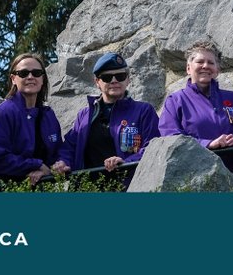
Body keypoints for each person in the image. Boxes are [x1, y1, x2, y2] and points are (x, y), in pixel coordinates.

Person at [53, 52, 160, 187]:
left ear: (128, 79)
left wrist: (126, 162)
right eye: (107, 77)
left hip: (127, 187)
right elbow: (70, 146)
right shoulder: (84, 115)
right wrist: (64, 162)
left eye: (120, 76)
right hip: (87, 190)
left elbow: (153, 147)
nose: (114, 81)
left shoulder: (144, 111)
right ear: (97, 82)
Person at [159, 41, 233, 184]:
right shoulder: (175, 101)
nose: (205, 66)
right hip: (194, 179)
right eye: (200, 61)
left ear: (217, 70)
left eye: (211, 63)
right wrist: (208, 144)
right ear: (188, 68)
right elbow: (170, 138)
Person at [0, 52, 66, 190]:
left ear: (43, 79)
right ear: (13, 79)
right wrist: (36, 165)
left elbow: (57, 150)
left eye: (37, 73)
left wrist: (59, 164)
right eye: (23, 73)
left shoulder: (48, 115)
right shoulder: (2, 114)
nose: (30, 77)